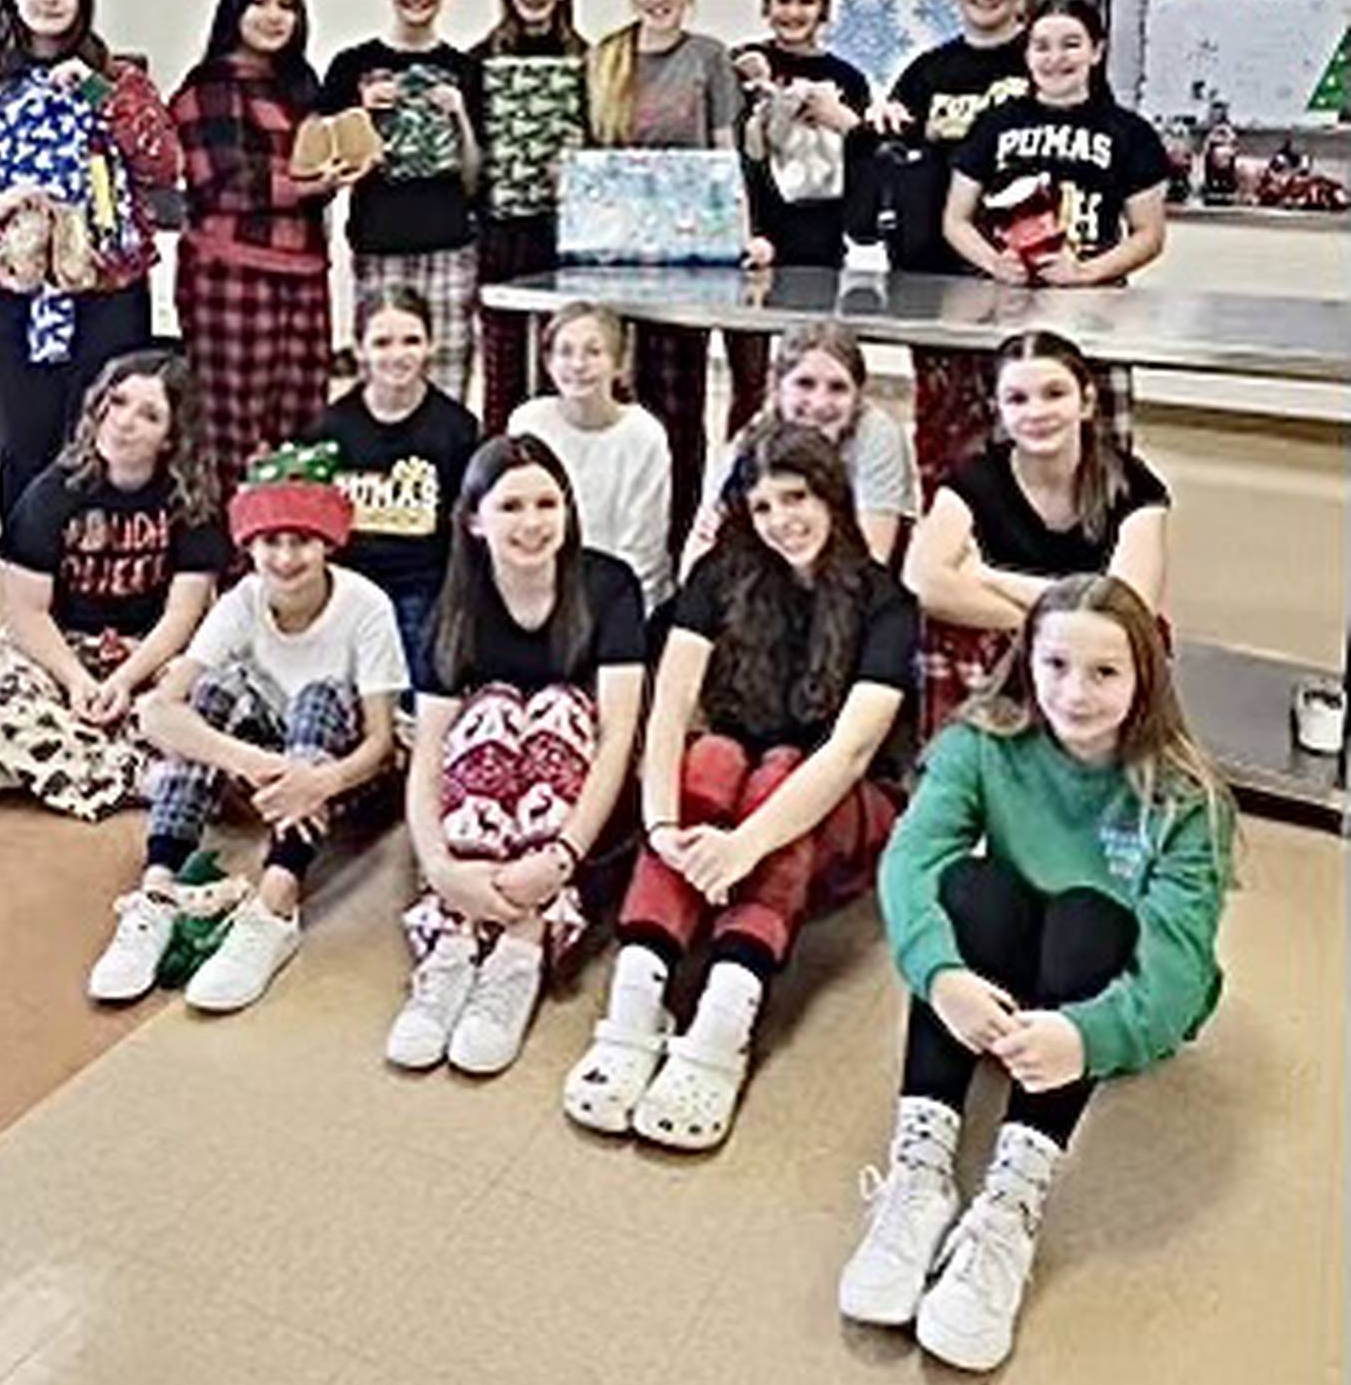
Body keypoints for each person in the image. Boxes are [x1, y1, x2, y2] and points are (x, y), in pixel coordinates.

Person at [839, 573, 1233, 1373]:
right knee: (968, 889)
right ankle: (921, 1175)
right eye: (1055, 665)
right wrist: (941, 974)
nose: (1075, 693)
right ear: (1028, 664)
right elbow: (911, 863)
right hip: (1013, 971)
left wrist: (1085, 1036)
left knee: (1093, 917)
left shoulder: (1186, 798)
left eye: (1104, 672)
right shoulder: (981, 742)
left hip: (1105, 983)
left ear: (1144, 679)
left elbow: (1177, 970)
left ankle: (1014, 1196)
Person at [563, 423, 916, 1150]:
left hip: (839, 809)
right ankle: (637, 997)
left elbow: (849, 754)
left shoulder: (887, 600)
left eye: (797, 498)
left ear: (832, 496)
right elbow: (670, 704)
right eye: (762, 507)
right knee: (714, 756)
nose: (783, 520)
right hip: (724, 803)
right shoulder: (721, 575)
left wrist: (742, 847)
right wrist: (662, 828)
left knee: (780, 770)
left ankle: (725, 1017)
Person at [86, 444, 403, 1011]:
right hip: (274, 769)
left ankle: (274, 907)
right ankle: (156, 890)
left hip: (345, 774)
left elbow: (381, 745)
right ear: (250, 545)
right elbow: (160, 709)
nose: (285, 558)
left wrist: (317, 782)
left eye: (301, 541)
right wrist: (263, 767)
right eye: (270, 542)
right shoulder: (243, 600)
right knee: (213, 691)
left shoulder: (366, 605)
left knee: (319, 695)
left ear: (328, 542)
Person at [386, 435, 646, 1077]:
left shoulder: (609, 584)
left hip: (583, 816)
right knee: (495, 708)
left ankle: (522, 944)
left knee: (557, 704)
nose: (532, 524)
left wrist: (559, 858)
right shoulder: (453, 603)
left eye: (546, 503)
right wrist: (440, 866)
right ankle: (453, 940)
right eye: (510, 508)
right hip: (483, 815)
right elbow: (430, 751)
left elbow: (619, 736)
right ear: (474, 521)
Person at [0, 0, 178, 521]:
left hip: (106, 291)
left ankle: (103, 579)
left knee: (108, 440)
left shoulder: (118, 79)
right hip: (11, 292)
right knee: (24, 444)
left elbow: (163, 162)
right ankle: (27, 578)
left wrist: (95, 90)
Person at [0, 350, 224, 820]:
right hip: (59, 653)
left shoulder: (190, 504)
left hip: (147, 656)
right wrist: (76, 682)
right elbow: (27, 611)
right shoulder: (53, 492)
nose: (124, 422)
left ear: (173, 438)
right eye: (118, 402)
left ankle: (21, 765)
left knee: (214, 705)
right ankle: (140, 778)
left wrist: (124, 681)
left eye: (149, 415)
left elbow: (184, 614)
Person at [903, 328, 1169, 734]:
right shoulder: (975, 478)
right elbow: (922, 581)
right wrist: (1049, 629)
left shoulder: (1132, 484)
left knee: (1130, 645)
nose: (1036, 412)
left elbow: (1131, 607)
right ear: (999, 410)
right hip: (1004, 664)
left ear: (1087, 401)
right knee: (948, 634)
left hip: (1096, 667)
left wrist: (990, 578)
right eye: (1017, 399)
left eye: (1054, 393)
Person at [587, 0, 752, 549]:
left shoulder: (709, 57)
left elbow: (725, 153)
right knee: (620, 394)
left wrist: (739, 234)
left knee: (679, 404)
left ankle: (679, 534)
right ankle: (618, 533)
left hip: (688, 257)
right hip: (616, 257)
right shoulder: (606, 60)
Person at [858, 0, 1032, 501]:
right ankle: (944, 543)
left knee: (1017, 420)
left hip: (1018, 273)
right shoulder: (927, 71)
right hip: (932, 275)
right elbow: (888, 149)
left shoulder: (1043, 63)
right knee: (941, 424)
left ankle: (1013, 549)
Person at [170, 0, 346, 510]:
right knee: (231, 426)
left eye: (286, 4)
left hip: (305, 275)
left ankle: (294, 551)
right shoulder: (208, 87)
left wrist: (339, 169)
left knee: (303, 420)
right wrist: (313, 181)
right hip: (230, 277)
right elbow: (222, 181)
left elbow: (319, 167)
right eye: (260, 2)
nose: (274, 15)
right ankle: (229, 564)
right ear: (234, 10)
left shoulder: (299, 88)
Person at [320, 0, 483, 401]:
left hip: (450, 247)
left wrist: (460, 117)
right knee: (384, 385)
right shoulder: (351, 66)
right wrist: (361, 114)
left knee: (449, 385)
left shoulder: (465, 67)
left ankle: (448, 474)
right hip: (379, 245)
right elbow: (326, 164)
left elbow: (474, 177)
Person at [310, 286, 479, 692]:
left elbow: (466, 525)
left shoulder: (456, 428)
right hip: (349, 582)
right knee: (340, 683)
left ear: (431, 346)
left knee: (416, 684)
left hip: (423, 583)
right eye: (382, 342)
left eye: (411, 340)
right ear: (360, 349)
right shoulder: (331, 427)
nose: (397, 354)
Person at [943, 0, 1170, 288]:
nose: (1055, 59)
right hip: (1005, 296)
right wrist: (995, 263)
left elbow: (1149, 234)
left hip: (1093, 299)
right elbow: (956, 220)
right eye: (1041, 47)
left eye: (1072, 45)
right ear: (1027, 54)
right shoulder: (993, 124)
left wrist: (1085, 272)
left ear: (1097, 51)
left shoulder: (1131, 132)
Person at [682, 321, 916, 575]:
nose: (818, 403)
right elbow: (697, 556)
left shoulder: (876, 435)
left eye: (837, 388)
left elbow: (872, 560)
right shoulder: (754, 438)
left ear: (858, 396)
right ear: (777, 388)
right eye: (805, 384)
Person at [471, 0, 588, 434]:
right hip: (498, 232)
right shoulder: (477, 60)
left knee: (561, 366)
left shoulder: (590, 59)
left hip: (565, 236)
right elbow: (470, 153)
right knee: (501, 371)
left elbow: (605, 144)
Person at [508, 302, 672, 614]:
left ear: (619, 364)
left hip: (623, 597)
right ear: (548, 361)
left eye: (594, 352)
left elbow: (642, 552)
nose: (578, 365)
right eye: (565, 352)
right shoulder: (528, 422)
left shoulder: (644, 434)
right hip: (542, 589)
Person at [734, 0, 870, 267]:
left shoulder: (848, 79)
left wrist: (846, 122)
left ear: (823, 8)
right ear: (766, 3)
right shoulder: (743, 65)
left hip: (822, 246)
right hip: (754, 245)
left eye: (806, 1)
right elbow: (733, 158)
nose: (793, 12)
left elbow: (865, 171)